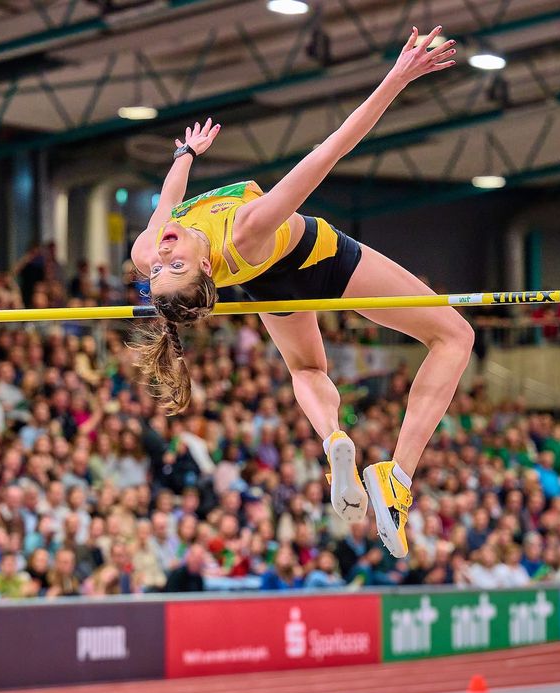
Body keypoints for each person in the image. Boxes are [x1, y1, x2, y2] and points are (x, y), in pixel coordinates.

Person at [129, 26, 468, 559]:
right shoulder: (247, 228)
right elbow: (332, 150)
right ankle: (398, 476)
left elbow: (166, 208)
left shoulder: (148, 249)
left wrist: (185, 155)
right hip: (324, 258)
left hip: (271, 287)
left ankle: (334, 440)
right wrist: (398, 78)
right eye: (175, 264)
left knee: (307, 369)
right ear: (205, 268)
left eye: (160, 268)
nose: (164, 250)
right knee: (455, 336)